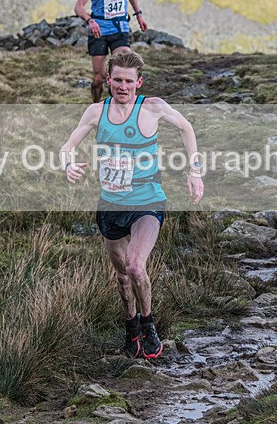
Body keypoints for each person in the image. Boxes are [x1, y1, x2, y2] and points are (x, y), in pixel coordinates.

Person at [60, 50, 204, 359]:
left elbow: (186, 127)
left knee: (136, 266)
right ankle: (131, 329)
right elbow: (67, 146)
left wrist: (195, 172)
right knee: (122, 275)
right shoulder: (95, 112)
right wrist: (68, 164)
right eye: (117, 81)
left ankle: (148, 324)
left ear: (138, 82)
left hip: (147, 201)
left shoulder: (152, 108)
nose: (122, 87)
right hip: (111, 205)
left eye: (129, 81)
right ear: (108, 80)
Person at [74, 0, 148, 103]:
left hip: (119, 28)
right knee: (99, 77)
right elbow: (78, 7)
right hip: (99, 30)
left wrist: (139, 15)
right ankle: (96, 104)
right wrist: (90, 21)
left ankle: (123, 106)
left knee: (126, 65)